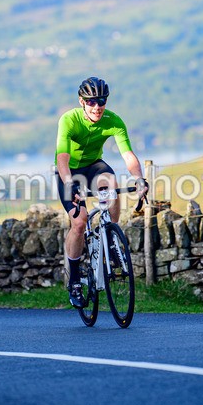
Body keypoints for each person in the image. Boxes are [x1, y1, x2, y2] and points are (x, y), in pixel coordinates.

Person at [55, 77, 148, 308]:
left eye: (102, 101)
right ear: (82, 102)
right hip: (69, 172)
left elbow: (128, 155)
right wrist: (70, 185)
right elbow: (62, 159)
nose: (97, 106)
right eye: (91, 101)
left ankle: (111, 237)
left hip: (94, 166)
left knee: (112, 184)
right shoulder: (69, 120)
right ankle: (74, 281)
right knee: (79, 222)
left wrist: (139, 179)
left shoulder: (113, 120)